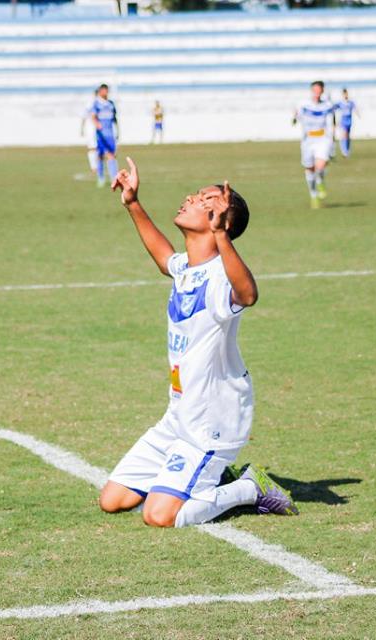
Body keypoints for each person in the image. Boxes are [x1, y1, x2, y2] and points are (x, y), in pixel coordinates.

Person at [99, 157, 299, 528]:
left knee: (158, 516)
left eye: (204, 199)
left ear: (218, 220)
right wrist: (133, 203)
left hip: (212, 421)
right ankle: (208, 476)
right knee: (112, 499)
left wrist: (222, 236)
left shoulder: (222, 276)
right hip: (178, 416)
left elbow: (248, 294)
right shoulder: (187, 269)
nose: (190, 198)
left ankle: (248, 488)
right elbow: (164, 259)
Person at [292, 81, 336, 209]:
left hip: (322, 139)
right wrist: (294, 117)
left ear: (322, 91)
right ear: (312, 91)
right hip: (308, 140)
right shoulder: (304, 105)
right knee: (310, 168)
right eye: (315, 90)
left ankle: (320, 181)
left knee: (320, 166)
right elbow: (296, 118)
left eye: (319, 91)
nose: (317, 93)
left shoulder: (327, 106)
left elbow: (331, 122)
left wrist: (332, 139)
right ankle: (313, 194)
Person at [91, 83, 119, 188]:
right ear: (100, 91)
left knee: (112, 155)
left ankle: (114, 178)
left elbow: (115, 118)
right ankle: (101, 177)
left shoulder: (111, 104)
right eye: (103, 90)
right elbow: (93, 116)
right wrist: (97, 124)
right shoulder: (96, 104)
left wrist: (117, 131)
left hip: (110, 134)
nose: (105, 92)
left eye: (106, 90)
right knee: (100, 156)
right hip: (100, 135)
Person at [335, 88, 360, 158]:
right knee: (344, 135)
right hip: (343, 121)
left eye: (346, 93)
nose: (345, 95)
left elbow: (355, 109)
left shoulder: (350, 102)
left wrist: (359, 115)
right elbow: (333, 108)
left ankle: (347, 150)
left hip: (349, 121)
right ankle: (344, 151)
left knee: (348, 137)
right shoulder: (340, 103)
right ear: (342, 95)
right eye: (344, 94)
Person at [80, 90, 99, 178]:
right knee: (92, 147)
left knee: (99, 148)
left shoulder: (101, 104)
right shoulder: (90, 104)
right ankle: (94, 167)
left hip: (99, 129)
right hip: (91, 128)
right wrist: (82, 129)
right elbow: (84, 117)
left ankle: (97, 167)